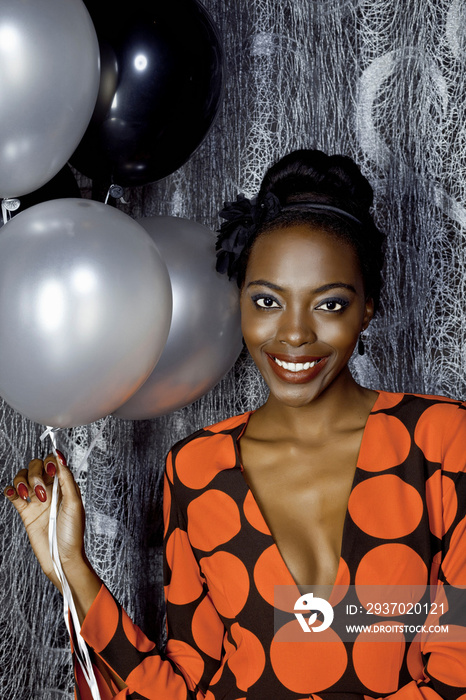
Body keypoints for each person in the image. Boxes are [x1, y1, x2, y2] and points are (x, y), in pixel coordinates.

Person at [5, 149, 466, 699]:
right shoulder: (196, 469)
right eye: (268, 300)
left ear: (368, 308)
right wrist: (72, 567)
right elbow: (181, 687)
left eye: (331, 305)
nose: (294, 334)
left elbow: (458, 674)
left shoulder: (442, 441)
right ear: (239, 301)